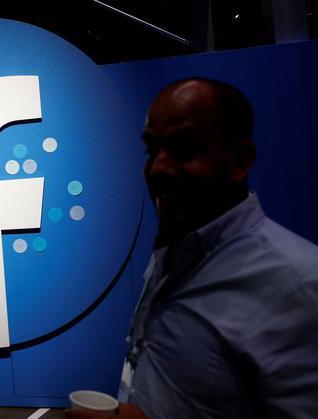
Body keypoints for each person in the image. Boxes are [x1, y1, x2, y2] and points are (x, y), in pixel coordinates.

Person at [68, 78, 318, 419]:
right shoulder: (176, 248)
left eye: (183, 148)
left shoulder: (299, 288)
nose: (158, 168)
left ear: (240, 160)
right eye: (151, 150)